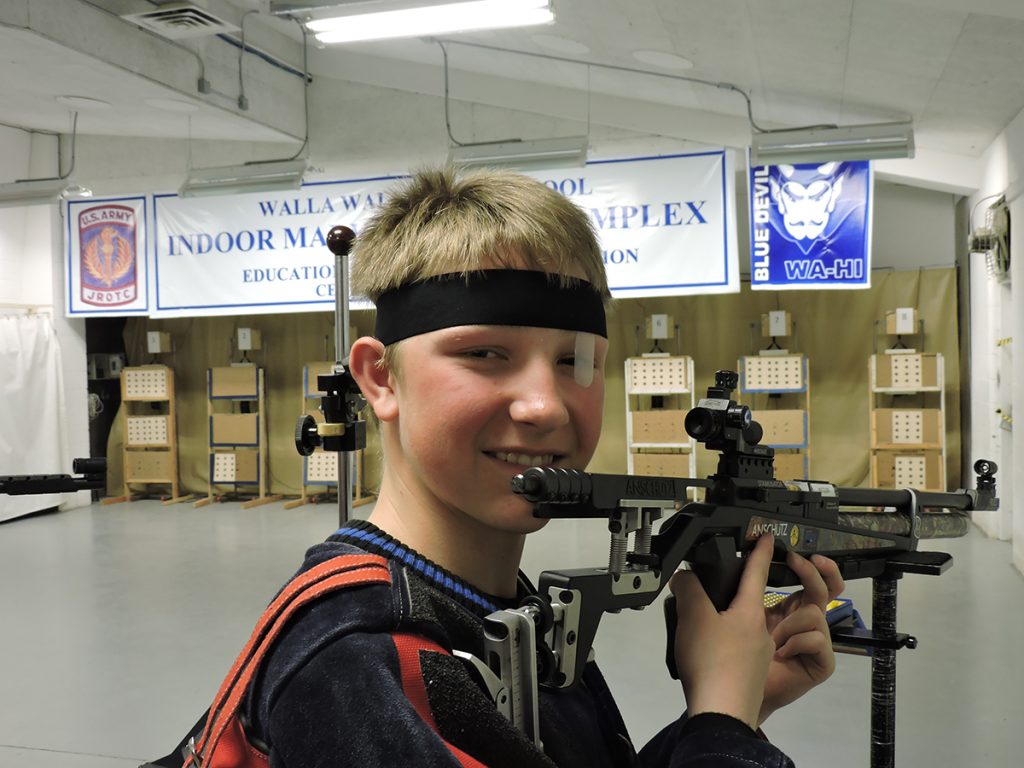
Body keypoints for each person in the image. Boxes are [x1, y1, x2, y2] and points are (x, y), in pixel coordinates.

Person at [241, 167, 844, 767]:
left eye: (575, 361)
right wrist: (723, 725)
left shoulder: (488, 605)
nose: (545, 405)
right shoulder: (359, 666)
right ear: (379, 377)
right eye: (484, 354)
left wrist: (724, 711)